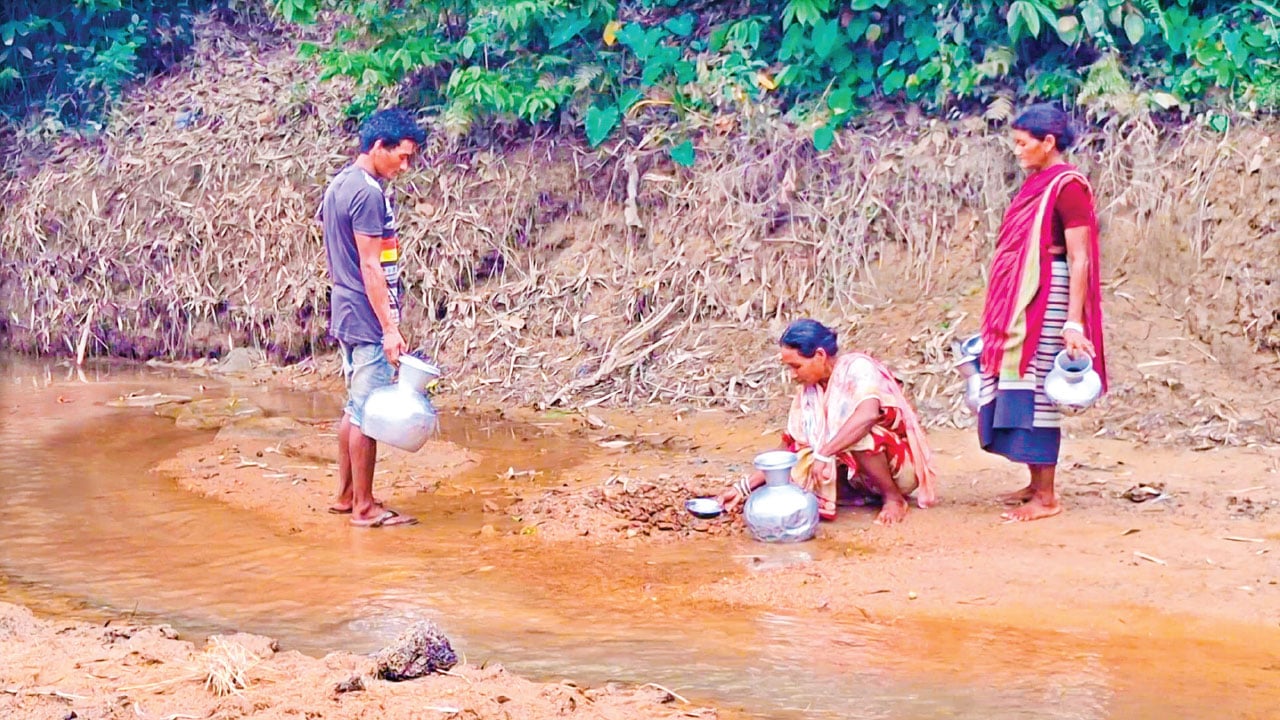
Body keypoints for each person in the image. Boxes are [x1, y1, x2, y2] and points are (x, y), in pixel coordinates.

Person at [977, 103, 1107, 522]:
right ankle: (1036, 483)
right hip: (1022, 297)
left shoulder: (1068, 186)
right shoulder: (1039, 183)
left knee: (1038, 393)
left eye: (1022, 143)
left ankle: (1047, 497)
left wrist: (1073, 322)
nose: (1017, 151)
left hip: (1048, 296)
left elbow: (1080, 256)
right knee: (1020, 381)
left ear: (1048, 143)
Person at [718, 319, 937, 526]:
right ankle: (855, 495)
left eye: (796, 366)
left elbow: (868, 415)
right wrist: (743, 487)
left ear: (820, 356)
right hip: (858, 478)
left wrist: (825, 452)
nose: (793, 375)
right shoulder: (807, 393)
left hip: (899, 471)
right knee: (799, 463)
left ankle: (893, 499)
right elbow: (790, 447)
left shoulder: (857, 368)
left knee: (860, 436)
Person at [319, 108, 426, 528]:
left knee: (354, 407)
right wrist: (390, 328)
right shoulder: (367, 194)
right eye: (401, 156)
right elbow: (370, 266)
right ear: (378, 147)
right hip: (365, 314)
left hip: (346, 308)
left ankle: (348, 496)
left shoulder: (340, 183)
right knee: (369, 411)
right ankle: (364, 507)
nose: (405, 166)